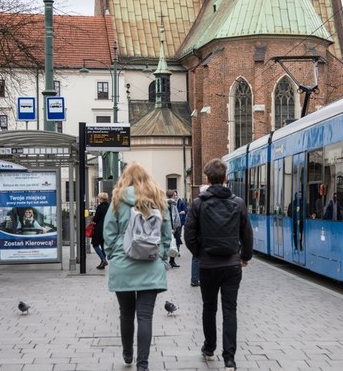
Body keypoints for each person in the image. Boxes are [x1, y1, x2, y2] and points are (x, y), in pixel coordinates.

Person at [184, 158, 253, 371]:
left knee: (209, 307)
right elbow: (247, 234)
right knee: (230, 309)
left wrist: (200, 253)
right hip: (232, 265)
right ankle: (229, 358)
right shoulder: (238, 203)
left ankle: (209, 347)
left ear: (207, 178)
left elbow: (189, 235)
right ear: (225, 178)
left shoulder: (198, 203)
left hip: (208, 265)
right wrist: (245, 257)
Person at [103, 162, 173, 371]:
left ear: (126, 178)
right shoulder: (159, 199)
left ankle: (127, 355)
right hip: (150, 265)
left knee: (126, 314)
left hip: (123, 264)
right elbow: (166, 234)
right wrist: (160, 255)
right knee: (145, 317)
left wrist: (114, 255)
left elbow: (108, 232)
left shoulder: (118, 199)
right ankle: (143, 364)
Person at [92, 192, 110, 270]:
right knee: (103, 246)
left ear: (101, 199)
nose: (99, 199)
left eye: (99, 198)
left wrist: (93, 220)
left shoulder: (100, 207)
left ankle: (103, 259)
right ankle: (102, 263)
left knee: (95, 244)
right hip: (107, 228)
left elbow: (96, 218)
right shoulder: (109, 206)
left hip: (99, 228)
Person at [166, 189, 181, 268]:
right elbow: (173, 217)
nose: (176, 196)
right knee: (172, 244)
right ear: (172, 195)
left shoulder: (169, 203)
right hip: (171, 227)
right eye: (174, 195)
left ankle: (171, 261)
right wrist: (174, 228)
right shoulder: (171, 204)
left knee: (173, 243)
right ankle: (170, 261)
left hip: (170, 226)